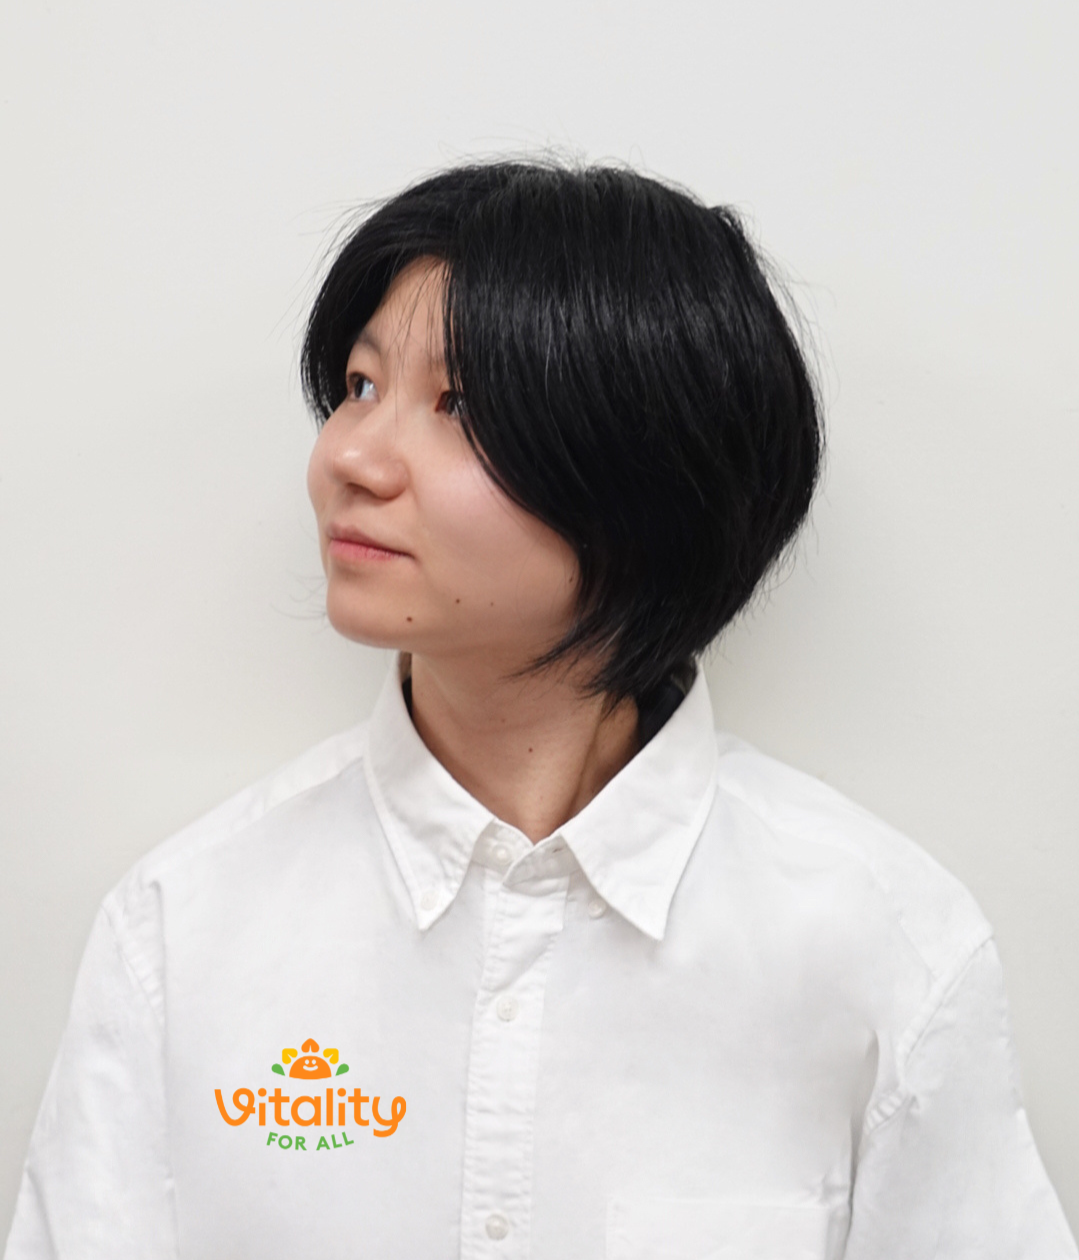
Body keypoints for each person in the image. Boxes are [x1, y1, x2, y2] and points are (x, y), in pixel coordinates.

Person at [4, 160, 1076, 1260]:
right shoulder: (186, 927)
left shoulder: (875, 943)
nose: (349, 456)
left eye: (458, 405)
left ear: (646, 480)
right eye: (361, 386)